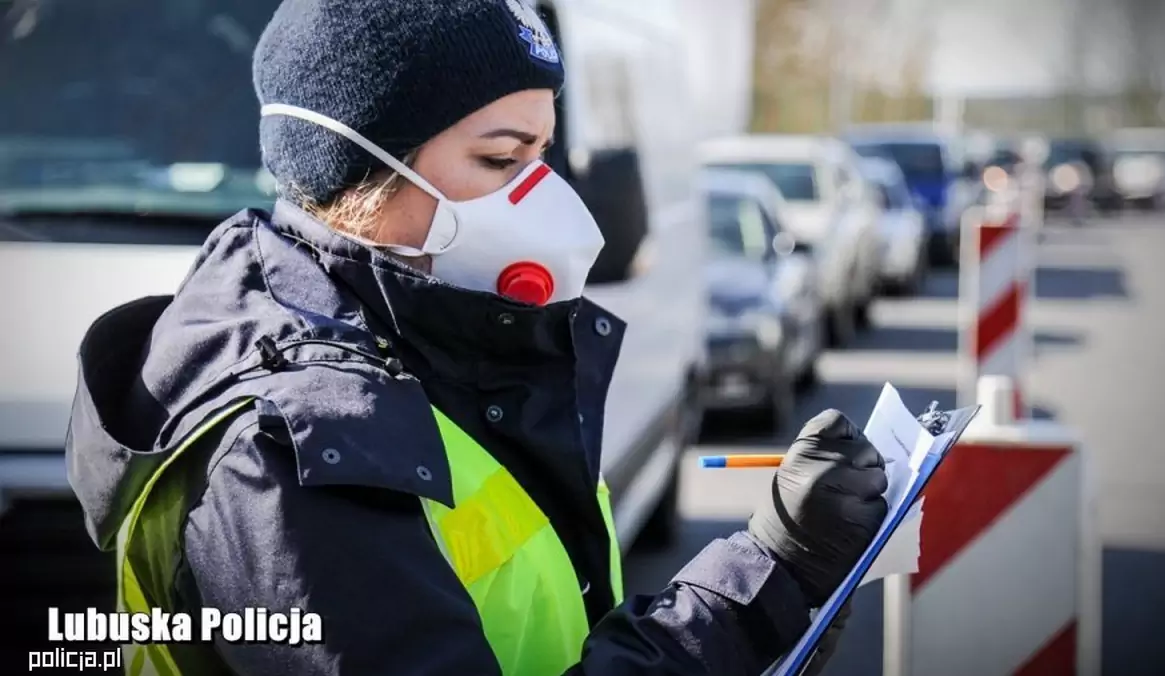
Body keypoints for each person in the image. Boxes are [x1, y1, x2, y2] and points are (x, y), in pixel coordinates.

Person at [65, 1, 889, 674]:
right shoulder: (293, 446)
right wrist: (766, 577)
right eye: (501, 159)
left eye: (543, 154)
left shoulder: (430, 336)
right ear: (356, 172)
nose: (543, 192)